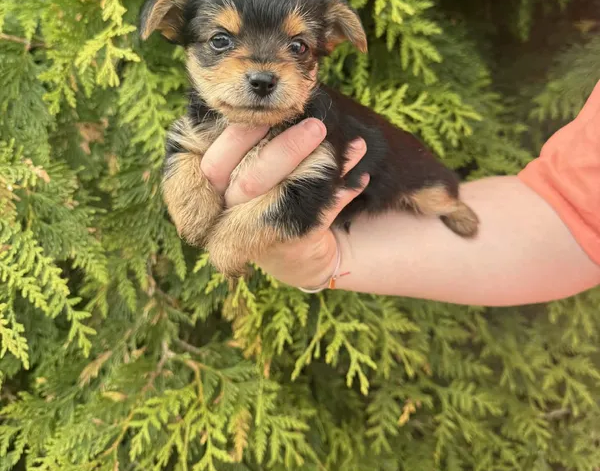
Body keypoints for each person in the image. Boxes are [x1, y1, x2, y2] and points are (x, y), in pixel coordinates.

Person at [199, 81, 600, 306]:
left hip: (400, 176)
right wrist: (329, 260)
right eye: (219, 42)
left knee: (434, 192)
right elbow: (564, 208)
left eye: (296, 47)